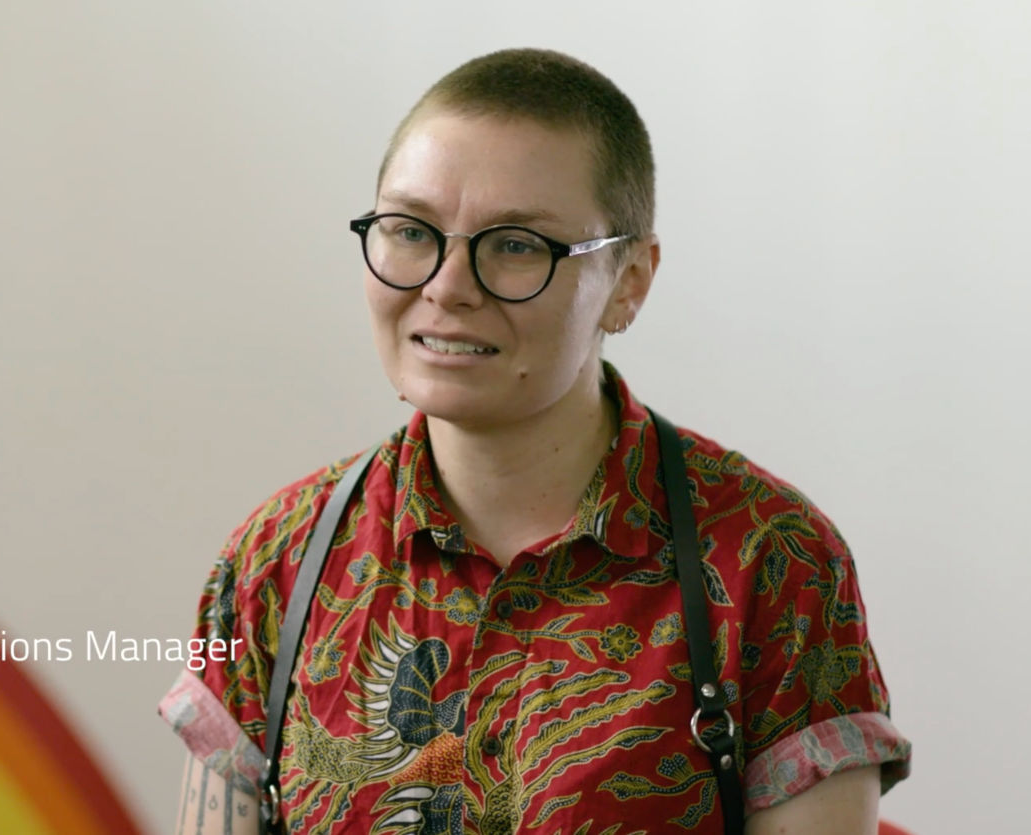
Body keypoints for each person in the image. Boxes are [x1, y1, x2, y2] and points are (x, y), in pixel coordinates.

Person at [158, 47, 911, 834]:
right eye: (411, 230)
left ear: (629, 282)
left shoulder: (770, 562)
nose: (447, 285)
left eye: (516, 244)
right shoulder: (275, 564)